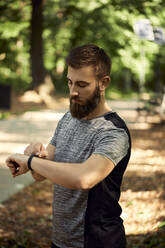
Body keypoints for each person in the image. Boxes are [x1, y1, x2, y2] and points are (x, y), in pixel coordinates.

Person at [6, 44, 131, 248]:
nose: (73, 92)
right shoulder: (68, 119)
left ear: (103, 83)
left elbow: (84, 178)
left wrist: (30, 162)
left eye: (82, 84)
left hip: (97, 242)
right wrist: (34, 157)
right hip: (61, 241)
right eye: (70, 82)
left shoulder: (113, 132)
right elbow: (40, 174)